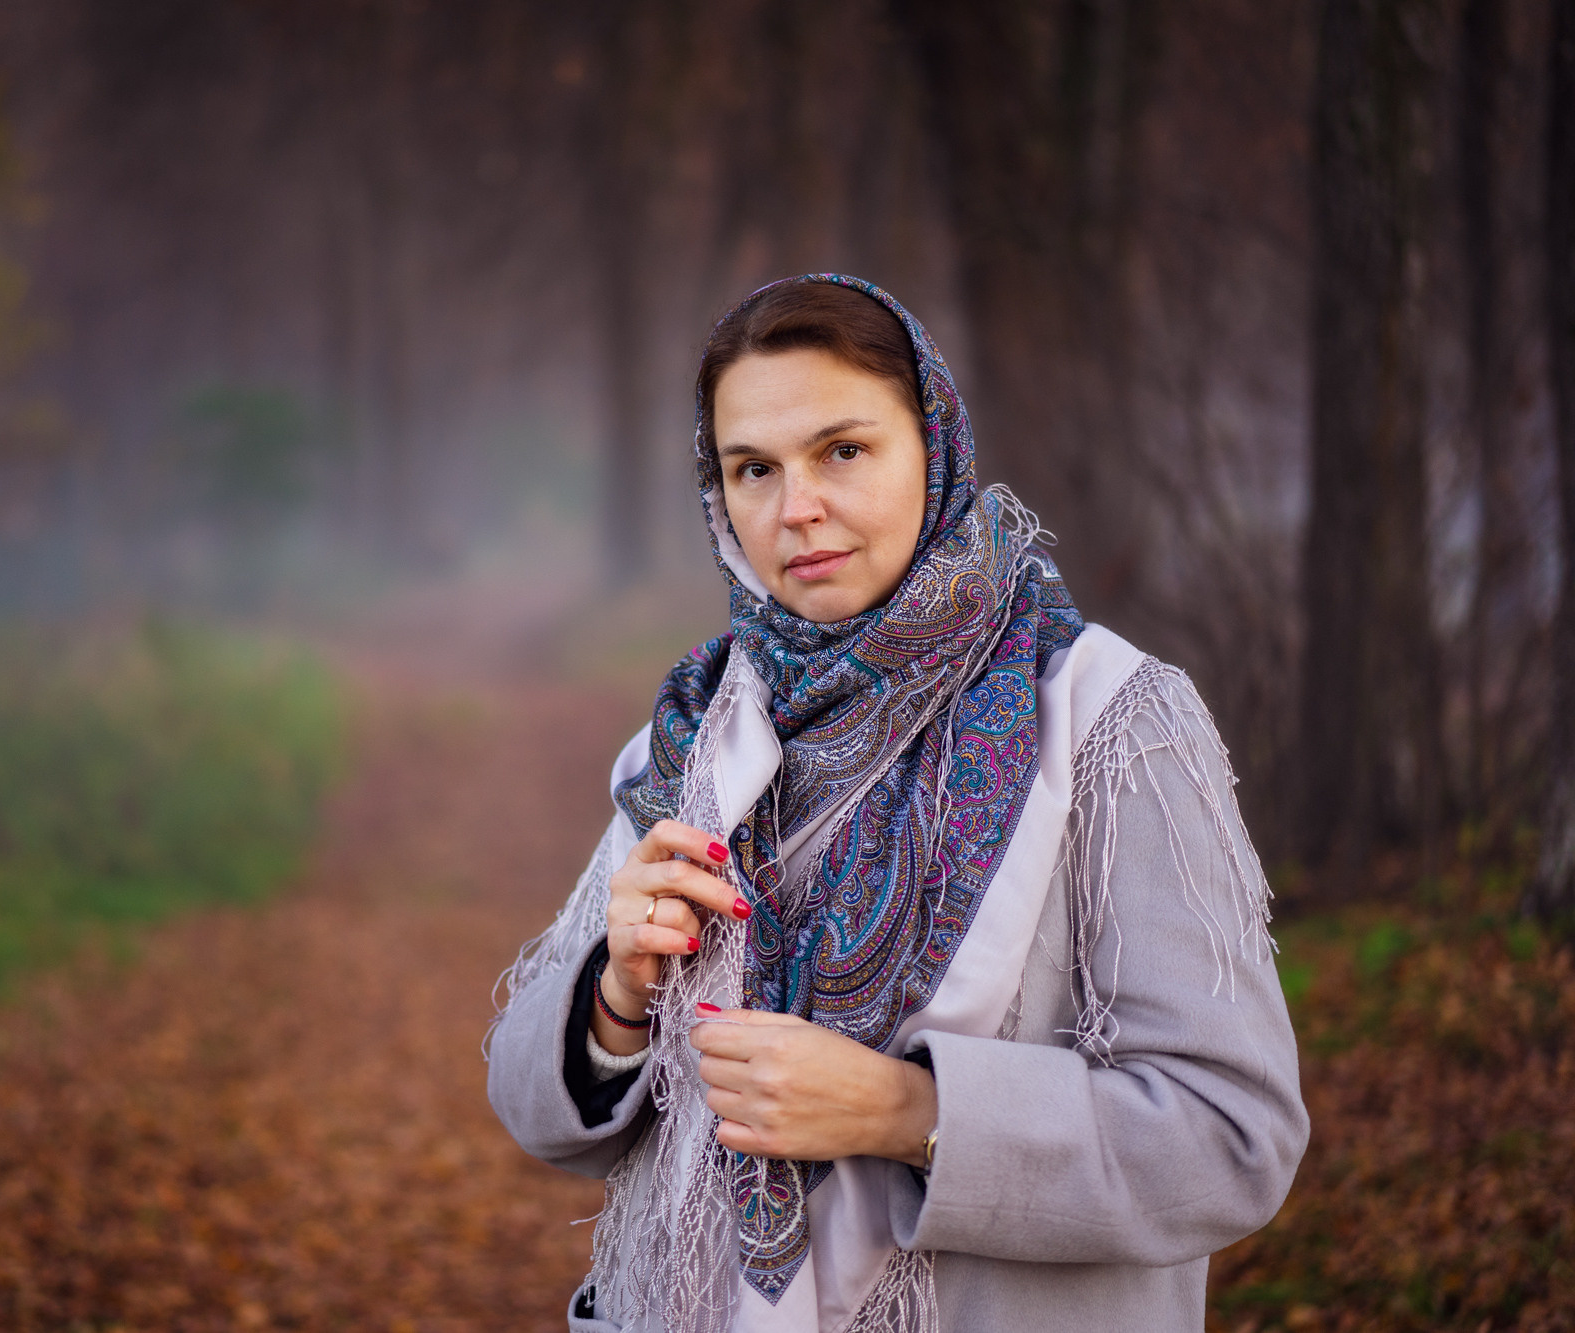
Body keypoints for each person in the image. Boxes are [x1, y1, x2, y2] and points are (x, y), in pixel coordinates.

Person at [486, 274, 1308, 1333]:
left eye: (841, 449)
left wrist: (907, 1111)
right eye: (752, 469)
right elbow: (536, 1111)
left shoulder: (1107, 719)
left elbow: (1228, 1139)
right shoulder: (692, 735)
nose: (796, 509)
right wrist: (616, 994)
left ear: (935, 443)